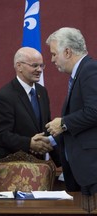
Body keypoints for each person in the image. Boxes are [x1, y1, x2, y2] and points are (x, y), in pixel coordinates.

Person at [45, 27, 97, 195]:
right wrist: (51, 140)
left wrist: (63, 122)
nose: (52, 60)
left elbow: (94, 111)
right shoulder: (81, 72)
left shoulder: (89, 70)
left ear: (67, 52)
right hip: (80, 170)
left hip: (91, 170)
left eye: (54, 54)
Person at [0, 47, 60, 167]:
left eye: (41, 65)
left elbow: (46, 126)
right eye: (34, 65)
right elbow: (0, 135)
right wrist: (29, 143)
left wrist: (60, 161)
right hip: (12, 167)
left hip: (39, 165)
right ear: (19, 66)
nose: (39, 70)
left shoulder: (42, 91)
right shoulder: (5, 96)